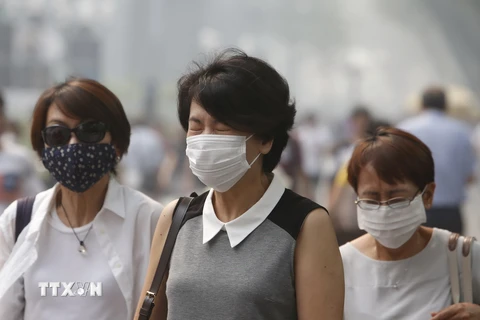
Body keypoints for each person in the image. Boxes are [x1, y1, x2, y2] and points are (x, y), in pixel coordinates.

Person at [135, 49, 344, 320]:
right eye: (196, 127)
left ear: (266, 139)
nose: (205, 139)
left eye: (221, 128)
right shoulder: (176, 217)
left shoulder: (306, 225)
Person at [0, 78, 163, 320]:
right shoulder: (19, 220)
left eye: (90, 131)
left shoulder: (150, 220)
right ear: (42, 147)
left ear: (116, 143)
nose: (74, 145)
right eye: (58, 134)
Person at [340, 127, 480, 319]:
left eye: (397, 199)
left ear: (427, 195)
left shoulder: (462, 256)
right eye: (371, 200)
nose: (384, 210)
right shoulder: (340, 264)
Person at [398, 86, 476, 234]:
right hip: (450, 212)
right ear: (446, 106)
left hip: (415, 210)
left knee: (419, 256)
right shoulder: (461, 131)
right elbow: (470, 176)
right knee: (453, 255)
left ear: (422, 105)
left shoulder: (405, 129)